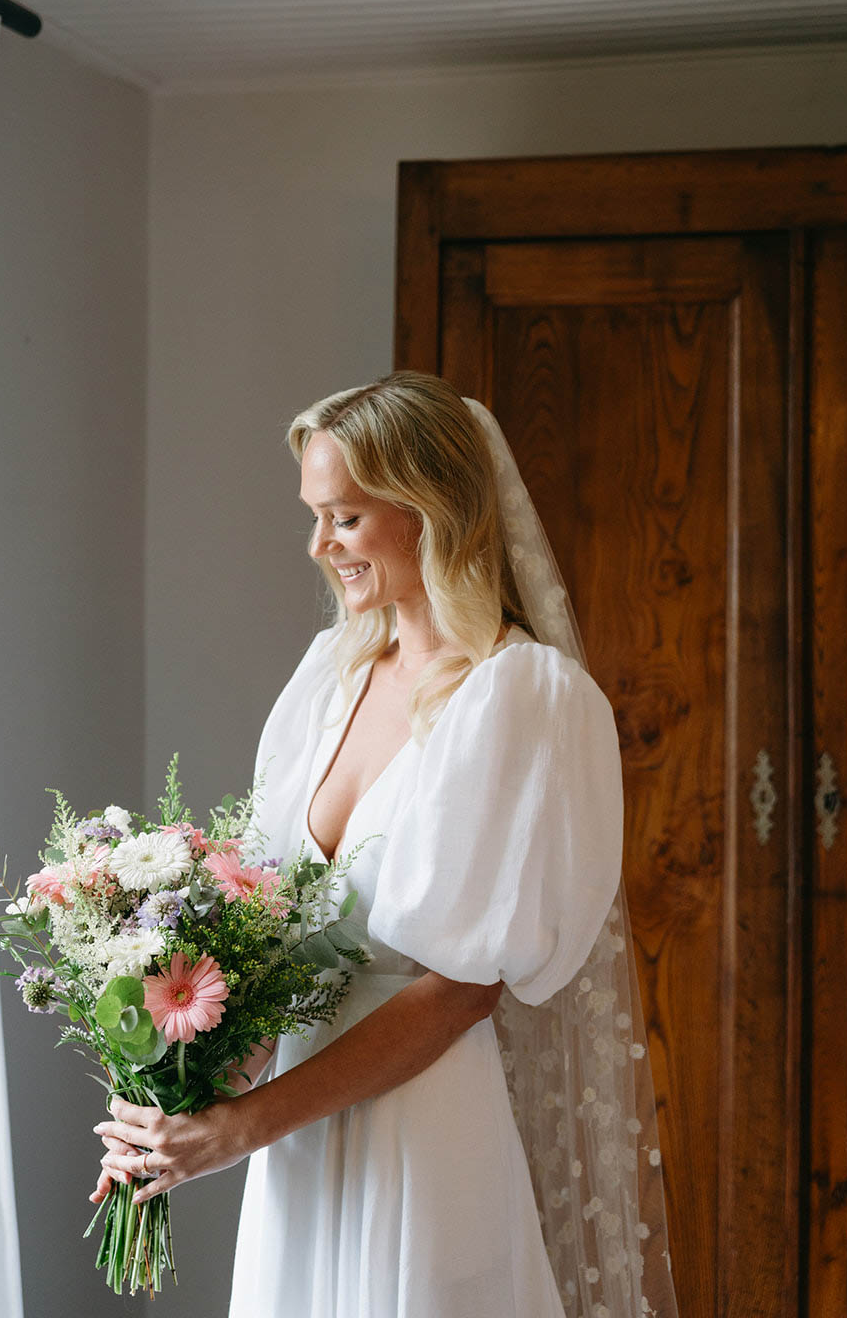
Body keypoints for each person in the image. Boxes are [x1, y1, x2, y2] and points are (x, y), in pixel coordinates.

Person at [91, 371, 679, 1318]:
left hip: (422, 1132)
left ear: (432, 509)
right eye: (315, 517)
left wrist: (241, 1128)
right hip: (293, 1142)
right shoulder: (328, 676)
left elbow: (462, 990)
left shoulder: (521, 695)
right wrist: (183, 1107)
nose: (320, 545)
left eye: (346, 518)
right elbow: (271, 939)